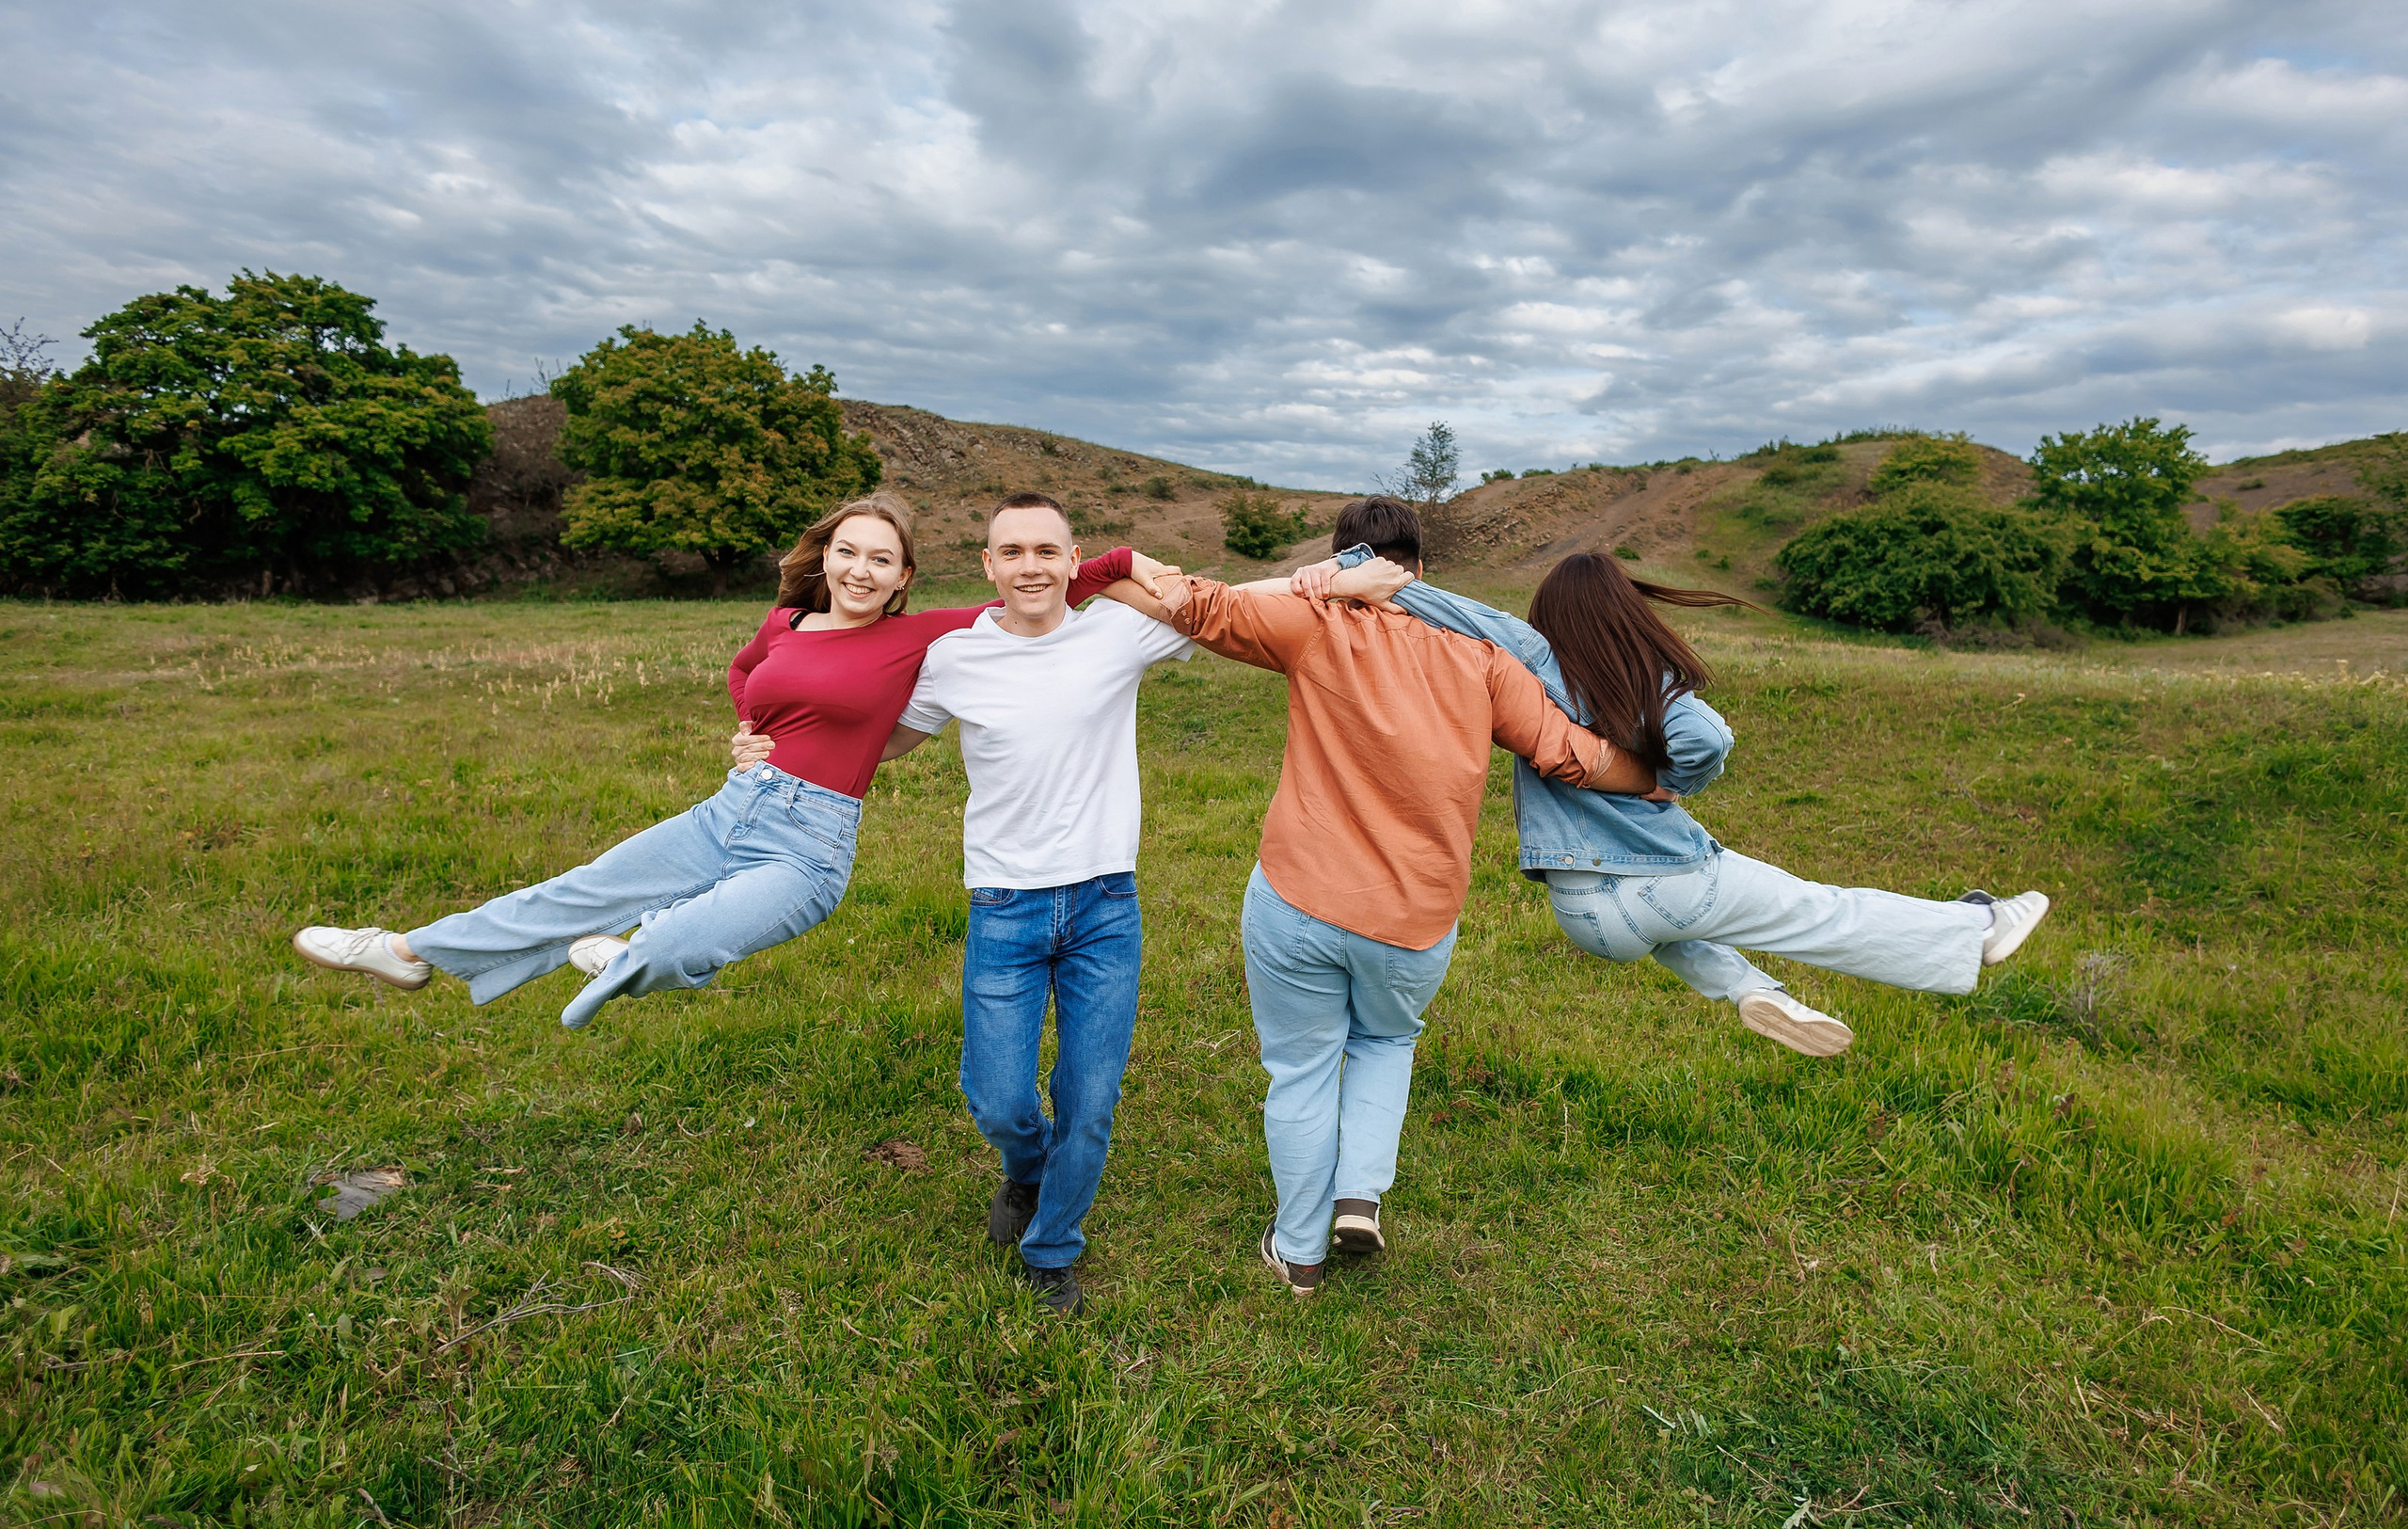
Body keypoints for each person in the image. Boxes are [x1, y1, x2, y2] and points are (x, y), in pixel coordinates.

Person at [292, 494, 1144, 1031]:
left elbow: (1046, 582)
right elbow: (744, 674)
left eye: (880, 558)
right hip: (732, 807)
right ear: (826, 558)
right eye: (847, 551)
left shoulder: (915, 634)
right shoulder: (786, 625)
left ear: (902, 578)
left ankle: (632, 954)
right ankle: (405, 950)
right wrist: (750, 730)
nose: (859, 567)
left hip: (809, 842)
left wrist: (1126, 564)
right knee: (578, 889)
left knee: (678, 943)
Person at [1111, 500, 1660, 1297]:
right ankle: (1359, 1196)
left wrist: (1090, 573)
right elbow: (1569, 755)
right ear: (1421, 570)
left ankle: (1299, 1254)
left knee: (1301, 1069)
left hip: (1299, 895)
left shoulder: (1314, 620)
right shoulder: (1482, 657)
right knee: (1384, 1045)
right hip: (1414, 918)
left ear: (1346, 563)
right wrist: (1658, 779)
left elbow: (1187, 602)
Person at [1299, 530, 2051, 1055]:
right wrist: (1664, 781)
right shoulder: (1646, 684)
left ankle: (1752, 992)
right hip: (1661, 882)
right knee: (1820, 909)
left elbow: (1456, 608)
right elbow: (1708, 742)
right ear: (1624, 610)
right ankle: (1974, 931)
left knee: (1677, 928)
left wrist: (1354, 569)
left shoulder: (1531, 653)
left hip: (1583, 913)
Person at [734, 492, 1192, 1316]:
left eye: (1046, 551)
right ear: (988, 566)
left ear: (1070, 558)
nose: (1029, 566)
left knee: (1090, 1102)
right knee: (999, 1097)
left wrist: (1334, 577)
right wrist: (769, 740)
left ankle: (1053, 1247)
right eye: (1011, 551)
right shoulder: (955, 655)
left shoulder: (1119, 634)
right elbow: (875, 733)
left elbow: (1226, 606)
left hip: (1103, 904)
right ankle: (1025, 1168)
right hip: (1005, 904)